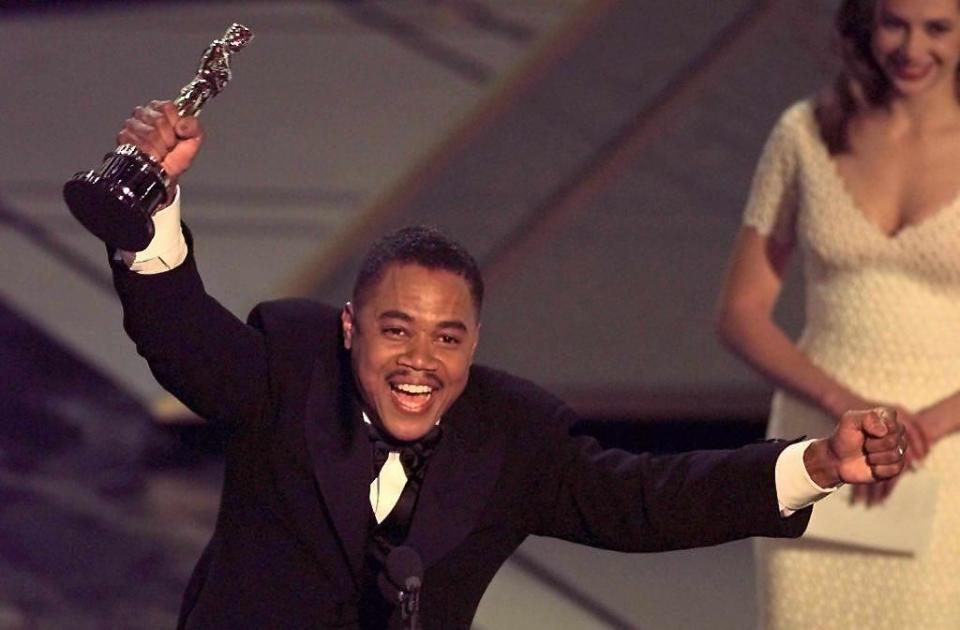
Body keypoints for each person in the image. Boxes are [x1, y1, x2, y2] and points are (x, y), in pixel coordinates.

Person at [103, 99, 905, 630]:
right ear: (350, 330)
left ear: (474, 345)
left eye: (447, 338)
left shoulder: (511, 436)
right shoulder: (292, 368)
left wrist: (822, 464)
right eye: (397, 331)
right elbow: (185, 343)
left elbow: (650, 502)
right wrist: (152, 203)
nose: (421, 360)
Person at [715, 0, 960, 627]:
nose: (912, 48)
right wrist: (852, 409)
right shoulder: (805, 133)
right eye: (894, 23)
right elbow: (741, 312)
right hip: (821, 443)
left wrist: (921, 428)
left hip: (949, 453)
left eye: (937, 28)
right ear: (865, 23)